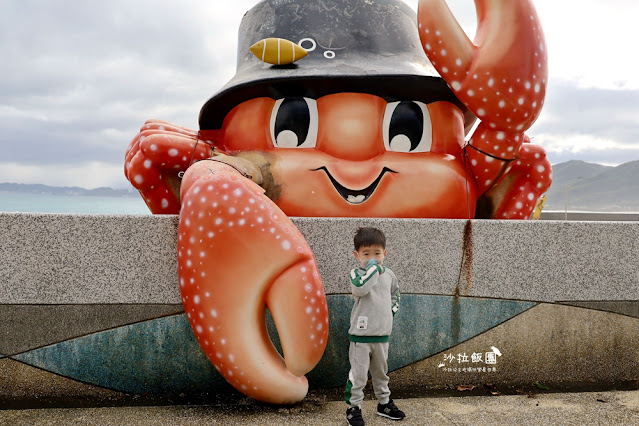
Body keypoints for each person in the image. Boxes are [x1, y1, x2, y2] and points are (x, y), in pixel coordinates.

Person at [345, 227, 406, 425]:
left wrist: (391, 311)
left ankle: (384, 403)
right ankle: (353, 408)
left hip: (382, 335)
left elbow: (395, 293)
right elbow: (360, 288)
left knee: (381, 373)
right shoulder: (357, 273)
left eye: (377, 254)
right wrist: (373, 269)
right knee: (359, 376)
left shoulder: (389, 275)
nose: (373, 258)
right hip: (361, 337)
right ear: (357, 255)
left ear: (385, 253)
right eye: (366, 254)